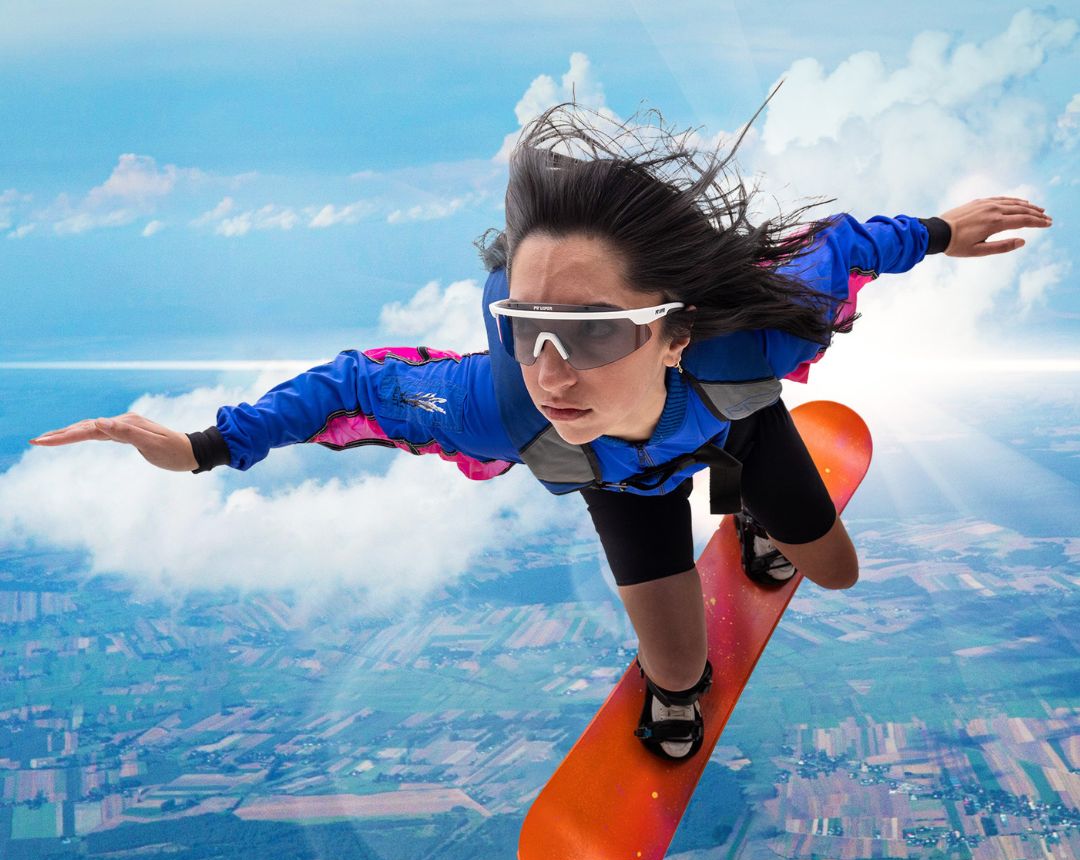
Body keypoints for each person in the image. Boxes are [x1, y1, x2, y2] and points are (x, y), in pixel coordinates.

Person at [29, 99, 1052, 763]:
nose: (551, 370)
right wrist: (205, 446)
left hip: (735, 420)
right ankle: (710, 611)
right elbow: (352, 385)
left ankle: (753, 520)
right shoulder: (506, 405)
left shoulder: (749, 344)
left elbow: (842, 248)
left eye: (592, 331)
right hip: (628, 484)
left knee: (833, 567)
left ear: (673, 328)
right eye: (528, 331)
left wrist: (941, 231)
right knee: (677, 675)